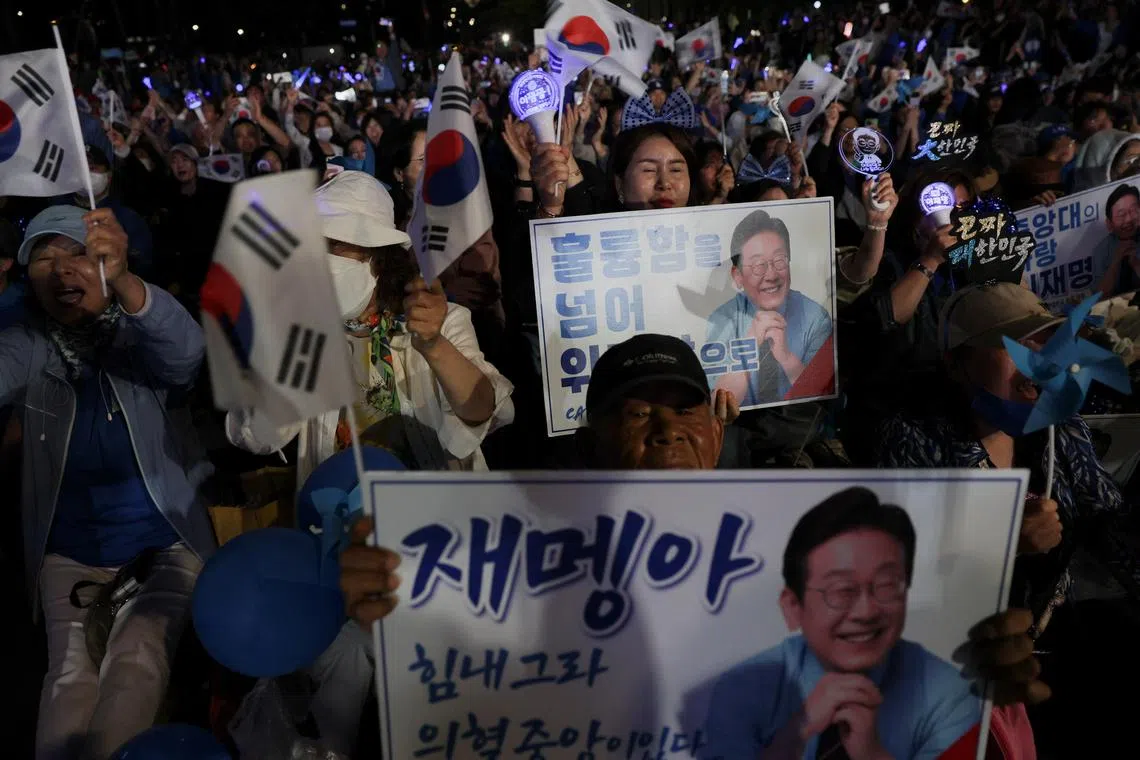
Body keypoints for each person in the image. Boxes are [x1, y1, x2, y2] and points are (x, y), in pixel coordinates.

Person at [341, 334, 1049, 759]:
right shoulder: (521, 561)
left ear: (716, 430)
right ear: (592, 438)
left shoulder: (808, 552)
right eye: (635, 410)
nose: (664, 428)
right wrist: (398, 611)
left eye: (683, 408)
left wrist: (968, 667)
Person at [2, 206, 216, 758]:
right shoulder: (28, 345)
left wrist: (124, 282)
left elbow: (186, 353)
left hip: (162, 545)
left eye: (75, 253)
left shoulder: (139, 336)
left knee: (138, 658)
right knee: (69, 677)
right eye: (43, 260)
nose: (59, 270)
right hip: (69, 553)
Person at [703, 487, 981, 760]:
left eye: (886, 586)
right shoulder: (742, 690)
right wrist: (793, 737)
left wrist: (872, 755)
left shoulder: (948, 696)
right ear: (793, 607)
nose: (866, 611)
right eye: (841, 590)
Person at [705, 209, 833, 406]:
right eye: (758, 265)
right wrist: (750, 343)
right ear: (737, 276)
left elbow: (822, 398)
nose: (771, 274)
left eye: (779, 260)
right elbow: (719, 405)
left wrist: (787, 358)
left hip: (798, 426)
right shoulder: (721, 318)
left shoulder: (816, 317)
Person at [1093, 183, 1140, 297]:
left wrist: (1135, 264)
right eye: (1121, 215)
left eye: (1134, 211)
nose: (1128, 219)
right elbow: (1099, 297)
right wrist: (1116, 261)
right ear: (1109, 224)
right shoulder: (1102, 250)